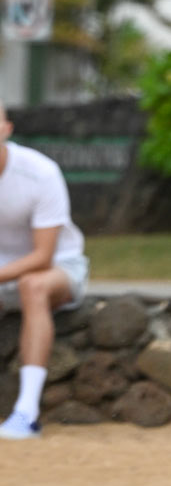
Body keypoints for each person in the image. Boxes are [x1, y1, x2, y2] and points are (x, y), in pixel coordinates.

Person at [0, 98, 89, 441]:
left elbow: (42, 257)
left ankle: (26, 412)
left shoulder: (40, 172)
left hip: (58, 267)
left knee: (32, 285)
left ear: (7, 130)